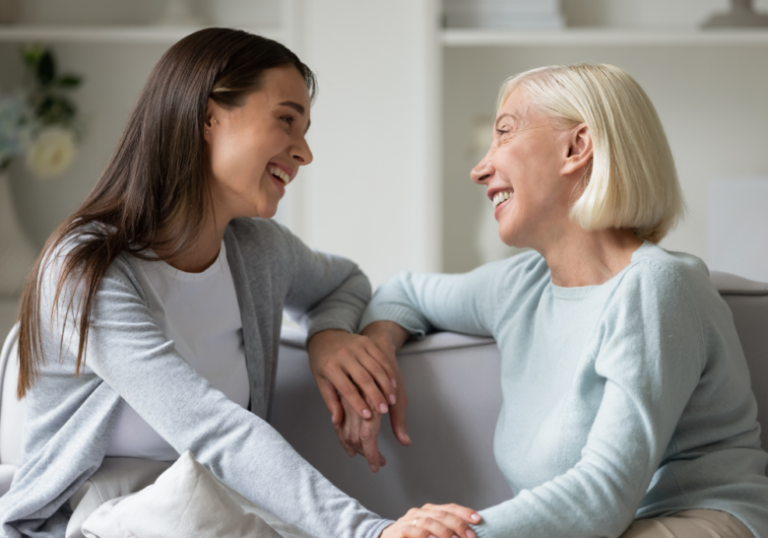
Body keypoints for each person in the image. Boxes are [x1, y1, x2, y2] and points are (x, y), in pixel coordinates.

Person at [0, 28, 480, 538]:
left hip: (212, 511)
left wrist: (328, 335)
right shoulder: (85, 268)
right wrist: (367, 532)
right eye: (286, 120)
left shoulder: (257, 250)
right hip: (90, 520)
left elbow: (345, 281)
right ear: (209, 117)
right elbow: (213, 429)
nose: (304, 153)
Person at [328, 64, 768, 538]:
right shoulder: (520, 286)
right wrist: (373, 361)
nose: (479, 169)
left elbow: (603, 494)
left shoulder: (658, 286)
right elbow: (402, 292)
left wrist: (447, 535)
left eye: (504, 133)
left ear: (576, 148)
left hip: (697, 522)